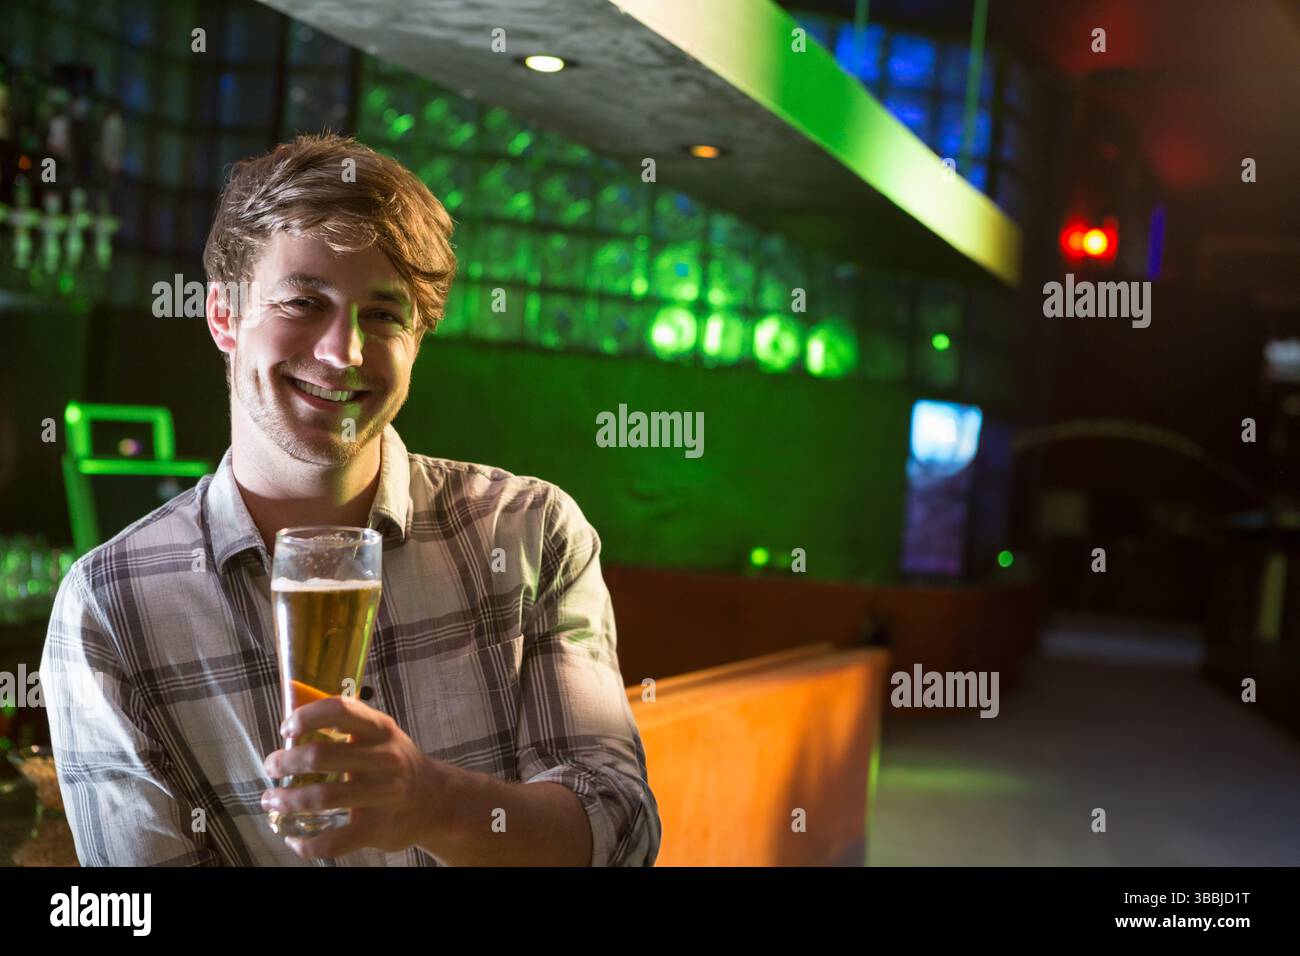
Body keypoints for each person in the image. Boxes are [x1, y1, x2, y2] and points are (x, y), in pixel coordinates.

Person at [40, 133, 661, 867]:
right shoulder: (109, 605)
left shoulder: (529, 531)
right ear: (223, 318)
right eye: (305, 301)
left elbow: (619, 832)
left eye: (384, 314)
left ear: (419, 338)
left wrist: (433, 802)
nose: (345, 352)